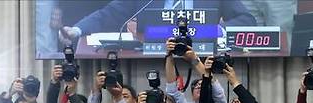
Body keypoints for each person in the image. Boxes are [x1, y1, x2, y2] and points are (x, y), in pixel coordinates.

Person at [59, 0, 256, 44]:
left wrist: (216, 30)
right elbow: (109, 14)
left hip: (202, 64)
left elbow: (247, 20)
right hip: (150, 63)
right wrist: (77, 30)